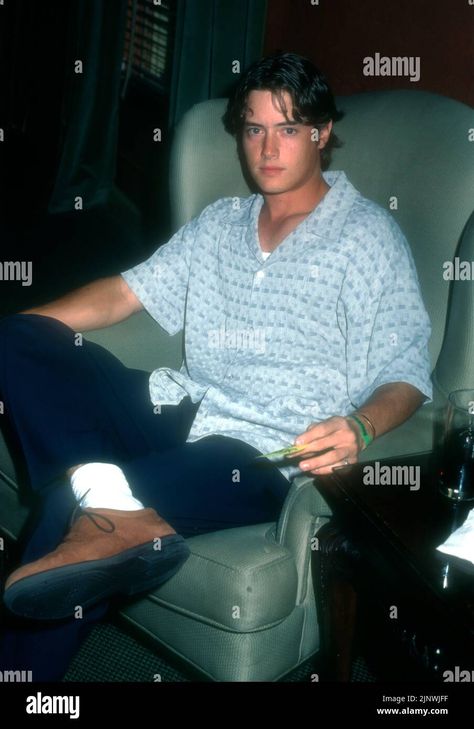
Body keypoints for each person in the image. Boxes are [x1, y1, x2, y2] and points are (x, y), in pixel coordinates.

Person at [0, 51, 432, 680]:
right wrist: (32, 325)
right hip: (176, 404)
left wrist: (363, 427)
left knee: (70, 502)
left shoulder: (366, 237)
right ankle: (108, 492)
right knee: (18, 339)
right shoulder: (220, 224)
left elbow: (408, 369)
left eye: (288, 128)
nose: (268, 147)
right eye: (254, 128)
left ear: (322, 133)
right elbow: (125, 292)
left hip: (258, 450)